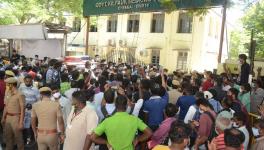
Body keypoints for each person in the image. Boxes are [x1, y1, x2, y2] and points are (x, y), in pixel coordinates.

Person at [1, 77, 25, 150]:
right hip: (8, 117)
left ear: (12, 85)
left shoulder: (20, 94)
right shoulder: (7, 93)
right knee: (8, 137)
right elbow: (6, 106)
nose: (6, 86)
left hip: (16, 117)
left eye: (7, 84)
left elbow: (22, 109)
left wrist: (21, 122)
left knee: (18, 138)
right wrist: (3, 117)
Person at [18, 75, 40, 146]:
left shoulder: (35, 89)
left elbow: (38, 100)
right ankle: (23, 138)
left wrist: (33, 106)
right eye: (26, 81)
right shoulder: (21, 87)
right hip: (22, 109)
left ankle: (30, 139)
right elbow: (19, 96)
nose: (28, 83)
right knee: (23, 124)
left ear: (32, 81)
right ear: (24, 81)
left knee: (30, 125)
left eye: (29, 81)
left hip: (31, 110)